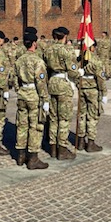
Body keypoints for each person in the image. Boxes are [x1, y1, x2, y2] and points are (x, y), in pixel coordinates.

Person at [15, 27, 49, 169]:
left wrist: (20, 90)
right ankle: (33, 158)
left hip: (22, 94)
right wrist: (45, 99)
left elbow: (15, 79)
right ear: (34, 43)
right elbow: (41, 83)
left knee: (22, 125)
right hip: (34, 95)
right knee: (35, 126)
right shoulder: (38, 61)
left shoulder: (19, 60)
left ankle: (21, 155)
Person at [42, 27, 79, 159]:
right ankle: (62, 149)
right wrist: (78, 77)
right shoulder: (65, 50)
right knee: (64, 118)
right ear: (65, 37)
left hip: (52, 83)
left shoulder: (47, 50)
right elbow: (73, 70)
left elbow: (44, 68)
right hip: (63, 84)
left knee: (53, 117)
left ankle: (52, 148)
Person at [76, 41, 107, 152]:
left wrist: (78, 84)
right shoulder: (96, 60)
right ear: (92, 47)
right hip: (93, 90)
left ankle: (80, 141)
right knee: (92, 116)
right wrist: (104, 93)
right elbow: (101, 78)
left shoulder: (80, 59)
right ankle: (90, 143)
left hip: (81, 89)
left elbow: (74, 74)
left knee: (81, 115)